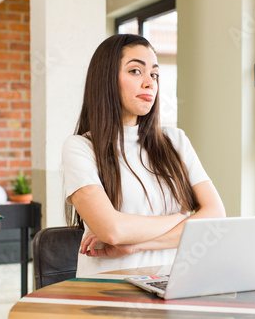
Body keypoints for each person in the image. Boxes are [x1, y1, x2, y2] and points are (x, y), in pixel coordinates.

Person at [62, 34, 226, 277]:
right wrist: (182, 217)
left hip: (173, 282)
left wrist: (136, 244)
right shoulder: (80, 147)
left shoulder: (175, 140)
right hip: (108, 290)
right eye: (136, 71)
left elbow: (215, 216)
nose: (150, 82)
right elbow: (113, 231)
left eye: (154, 74)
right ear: (106, 79)